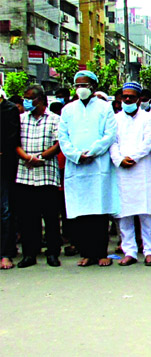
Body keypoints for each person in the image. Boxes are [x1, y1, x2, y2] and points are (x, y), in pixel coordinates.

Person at [58, 70, 119, 267]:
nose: (81, 89)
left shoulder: (104, 107)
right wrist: (76, 155)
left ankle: (101, 253)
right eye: (77, 85)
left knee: (98, 212)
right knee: (81, 213)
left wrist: (92, 152)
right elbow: (63, 137)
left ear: (93, 86)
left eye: (84, 85)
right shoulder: (68, 110)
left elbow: (110, 134)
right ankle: (86, 253)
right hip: (76, 167)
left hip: (98, 165)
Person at [109, 82, 151, 266]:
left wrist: (134, 157)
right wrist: (119, 159)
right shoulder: (115, 119)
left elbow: (149, 142)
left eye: (131, 96)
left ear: (139, 99)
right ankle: (129, 251)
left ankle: (149, 251)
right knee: (124, 214)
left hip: (142, 170)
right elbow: (112, 142)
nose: (127, 99)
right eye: (125, 96)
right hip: (122, 170)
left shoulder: (149, 118)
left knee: (146, 213)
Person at [14, 85, 62, 268]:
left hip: (46, 173)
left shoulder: (54, 120)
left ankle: (52, 253)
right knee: (28, 217)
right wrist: (27, 157)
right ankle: (29, 253)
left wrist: (41, 157)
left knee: (50, 217)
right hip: (24, 173)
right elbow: (14, 142)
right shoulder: (20, 119)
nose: (26, 102)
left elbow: (59, 144)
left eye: (29, 98)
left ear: (40, 100)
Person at [0, 92, 20, 269]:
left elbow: (11, 138)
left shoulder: (9, 110)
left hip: (5, 167)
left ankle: (6, 253)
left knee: (5, 211)